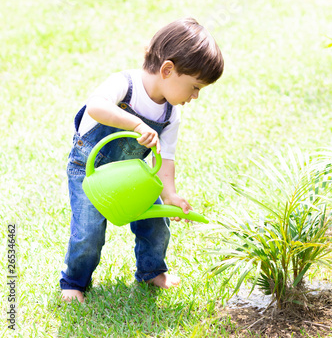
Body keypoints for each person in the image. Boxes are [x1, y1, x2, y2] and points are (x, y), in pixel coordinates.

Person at [60, 17, 224, 303]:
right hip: (90, 171)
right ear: (168, 70)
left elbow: (165, 159)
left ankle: (152, 271)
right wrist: (136, 124)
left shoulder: (170, 113)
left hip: (131, 176)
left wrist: (170, 194)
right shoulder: (125, 84)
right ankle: (74, 282)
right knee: (89, 231)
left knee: (156, 223)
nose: (196, 96)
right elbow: (96, 106)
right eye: (195, 87)